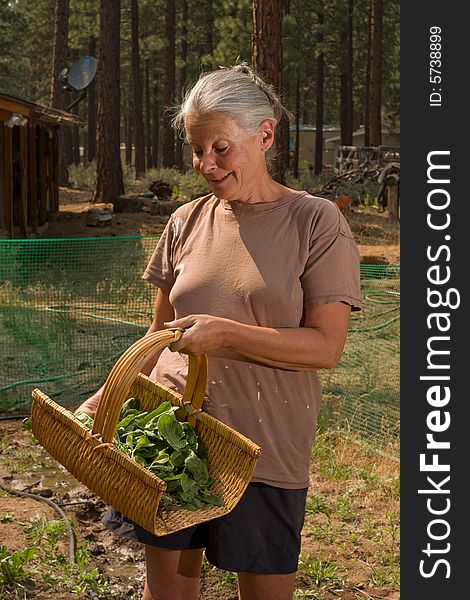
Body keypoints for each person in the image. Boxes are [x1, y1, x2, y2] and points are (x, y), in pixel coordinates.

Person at [78, 63, 362, 600]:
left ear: (266, 135)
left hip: (262, 448)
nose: (204, 164)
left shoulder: (315, 223)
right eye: (196, 149)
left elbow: (326, 347)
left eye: (220, 148)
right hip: (173, 439)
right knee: (168, 590)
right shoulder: (186, 220)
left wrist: (226, 333)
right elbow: (159, 332)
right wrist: (102, 400)